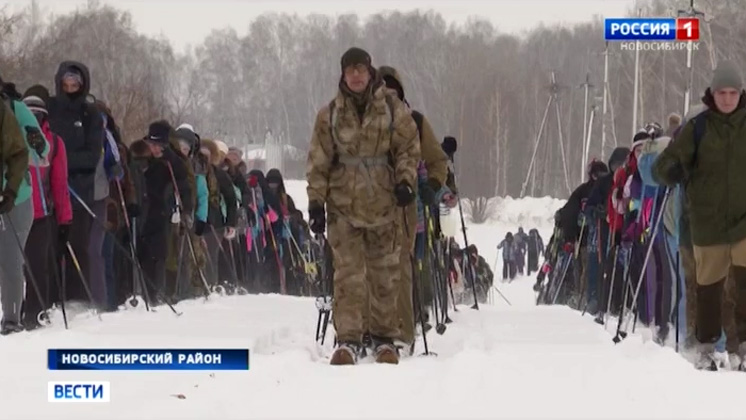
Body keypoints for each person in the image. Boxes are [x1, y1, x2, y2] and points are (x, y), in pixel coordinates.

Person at [306, 47, 420, 365]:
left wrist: (406, 181)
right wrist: (316, 201)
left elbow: (408, 147)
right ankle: (348, 340)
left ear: (370, 73)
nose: (356, 75)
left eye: (361, 69)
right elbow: (318, 160)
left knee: (385, 274)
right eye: (350, 70)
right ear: (343, 75)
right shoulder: (329, 114)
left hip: (384, 202)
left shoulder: (392, 109)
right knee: (348, 275)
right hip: (343, 206)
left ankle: (384, 339)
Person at [653, 60, 746, 371]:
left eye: (734, 92)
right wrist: (671, 169)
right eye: (723, 92)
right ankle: (707, 349)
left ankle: (743, 348)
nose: (728, 98)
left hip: (744, 220)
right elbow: (665, 164)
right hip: (707, 223)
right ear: (713, 93)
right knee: (709, 290)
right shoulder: (699, 127)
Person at [378, 64, 452, 352]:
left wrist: (432, 186)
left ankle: (403, 330)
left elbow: (437, 160)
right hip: (371, 205)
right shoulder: (366, 121)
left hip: (411, 208)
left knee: (403, 268)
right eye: (381, 89)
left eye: (391, 89)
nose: (387, 95)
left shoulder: (416, 121)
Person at [47, 61, 104, 303]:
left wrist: (63, 160)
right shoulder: (50, 108)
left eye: (75, 83)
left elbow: (92, 155)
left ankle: (78, 299)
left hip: (79, 188)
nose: (70, 87)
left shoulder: (90, 114)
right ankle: (50, 298)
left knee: (78, 245)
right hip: (50, 189)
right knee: (50, 246)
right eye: (66, 83)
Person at [20, 92, 72, 329]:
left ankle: (35, 312)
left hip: (41, 213)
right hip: (14, 209)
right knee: (12, 265)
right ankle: (13, 310)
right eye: (29, 114)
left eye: (38, 115)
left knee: (37, 265)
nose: (34, 119)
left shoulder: (54, 143)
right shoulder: (13, 136)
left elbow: (60, 184)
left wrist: (65, 220)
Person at [0, 76, 33, 334]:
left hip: (13, 198)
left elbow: (28, 151)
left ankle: (11, 318)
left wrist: (10, 191)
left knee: (10, 259)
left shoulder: (10, 110)